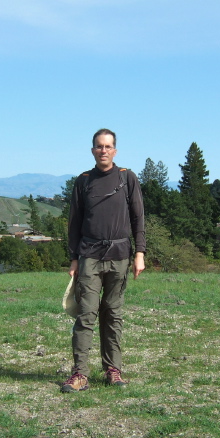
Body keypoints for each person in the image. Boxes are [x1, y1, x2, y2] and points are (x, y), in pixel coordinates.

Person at [61, 128, 146, 392]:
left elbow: (138, 218)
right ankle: (79, 374)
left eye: (108, 146)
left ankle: (113, 370)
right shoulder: (84, 181)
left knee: (113, 315)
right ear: (92, 150)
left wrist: (139, 253)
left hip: (120, 257)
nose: (103, 151)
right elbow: (74, 223)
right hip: (89, 257)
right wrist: (74, 258)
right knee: (86, 315)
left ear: (115, 150)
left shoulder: (127, 178)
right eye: (99, 146)